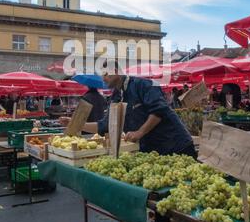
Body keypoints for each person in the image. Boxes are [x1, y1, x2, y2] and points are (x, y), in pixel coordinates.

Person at [61, 60, 196, 157]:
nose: (103, 79)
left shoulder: (143, 84)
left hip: (176, 145)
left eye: (105, 74)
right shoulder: (116, 96)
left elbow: (158, 111)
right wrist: (76, 124)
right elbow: (106, 125)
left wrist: (139, 133)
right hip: (154, 151)